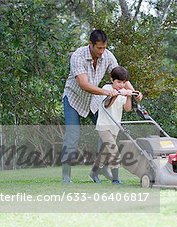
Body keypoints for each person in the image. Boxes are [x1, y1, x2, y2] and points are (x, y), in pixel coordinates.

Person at [61, 29, 143, 183]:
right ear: (90, 45)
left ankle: (102, 168)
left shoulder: (107, 55)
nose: (102, 51)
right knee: (73, 134)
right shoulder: (78, 56)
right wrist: (108, 93)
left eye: (104, 47)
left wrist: (134, 93)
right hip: (73, 98)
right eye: (99, 48)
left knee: (107, 131)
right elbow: (83, 84)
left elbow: (121, 77)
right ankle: (66, 175)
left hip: (93, 99)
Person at [89, 66, 138, 184]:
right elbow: (107, 105)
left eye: (123, 82)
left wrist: (128, 96)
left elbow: (127, 109)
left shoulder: (122, 91)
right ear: (112, 80)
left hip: (115, 127)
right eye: (118, 82)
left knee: (104, 154)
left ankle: (94, 173)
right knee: (114, 151)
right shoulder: (107, 88)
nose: (121, 85)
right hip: (104, 126)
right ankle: (116, 179)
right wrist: (116, 94)